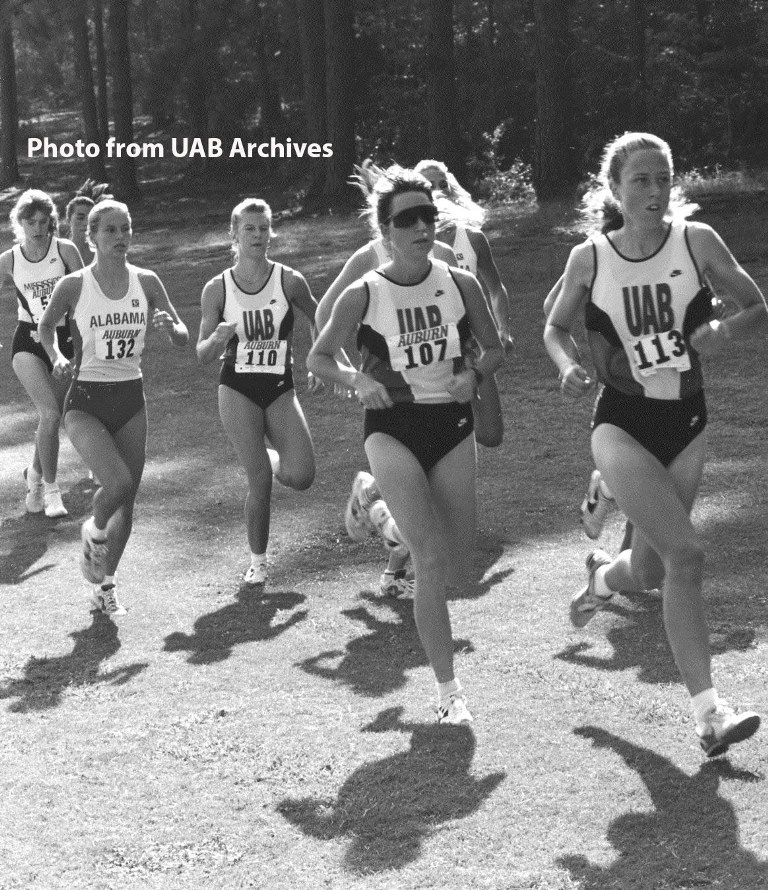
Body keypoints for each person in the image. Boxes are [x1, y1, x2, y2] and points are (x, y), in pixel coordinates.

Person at [544, 131, 763, 757]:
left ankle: (600, 580)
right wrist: (564, 365)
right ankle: (710, 716)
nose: (654, 190)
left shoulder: (697, 243)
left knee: (645, 570)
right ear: (614, 189)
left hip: (687, 422)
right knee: (687, 555)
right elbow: (556, 327)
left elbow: (757, 305)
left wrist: (727, 328)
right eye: (640, 179)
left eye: (663, 177)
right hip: (621, 423)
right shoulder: (590, 258)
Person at [308, 169, 504, 724]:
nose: (421, 227)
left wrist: (474, 373)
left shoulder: (458, 283)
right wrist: (356, 381)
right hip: (391, 425)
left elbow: (493, 348)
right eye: (407, 220)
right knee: (429, 558)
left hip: (450, 425)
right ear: (385, 231)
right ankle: (449, 695)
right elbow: (319, 358)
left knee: (461, 571)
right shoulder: (363, 293)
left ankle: (373, 505)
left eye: (428, 217)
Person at [39, 199, 189, 616]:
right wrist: (55, 356)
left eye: (125, 229)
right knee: (118, 484)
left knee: (129, 497)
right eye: (110, 230)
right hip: (85, 400)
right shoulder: (74, 285)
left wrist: (172, 328)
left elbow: (182, 334)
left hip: (130, 397)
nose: (120, 237)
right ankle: (94, 529)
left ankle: (105, 586)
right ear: (92, 237)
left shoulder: (148, 281)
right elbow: (46, 326)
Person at [196, 198, 319, 587]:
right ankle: (259, 562)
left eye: (264, 228)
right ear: (234, 234)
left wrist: (327, 359)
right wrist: (216, 339)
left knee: (301, 475)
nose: (258, 236)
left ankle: (266, 455)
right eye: (249, 229)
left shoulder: (289, 280)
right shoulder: (217, 288)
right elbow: (202, 354)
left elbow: (321, 320)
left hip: (280, 387)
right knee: (260, 480)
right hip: (237, 387)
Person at [0, 189, 84, 518]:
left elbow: (84, 296)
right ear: (19, 223)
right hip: (28, 342)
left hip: (64, 342)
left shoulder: (65, 250)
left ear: (52, 221)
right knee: (49, 414)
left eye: (44, 221)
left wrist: (81, 345)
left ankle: (33, 476)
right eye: (30, 222)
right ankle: (52, 491)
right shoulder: (9, 259)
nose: (38, 228)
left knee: (54, 418)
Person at [414, 159, 514, 351]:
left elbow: (495, 288)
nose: (439, 191)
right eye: (430, 186)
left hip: (475, 340)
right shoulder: (412, 243)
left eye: (443, 185)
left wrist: (503, 330)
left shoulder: (473, 238)